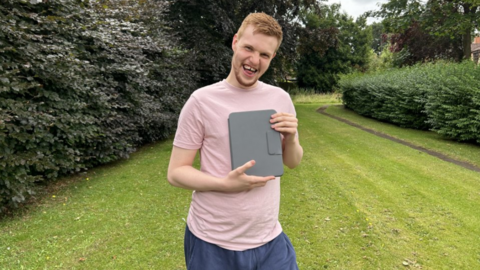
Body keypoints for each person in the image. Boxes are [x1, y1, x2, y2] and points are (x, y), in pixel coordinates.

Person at [167, 12, 303, 270]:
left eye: (264, 54)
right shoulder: (201, 101)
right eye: (248, 48)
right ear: (235, 42)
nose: (254, 60)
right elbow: (176, 173)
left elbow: (292, 162)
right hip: (212, 242)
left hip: (269, 239)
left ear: (272, 57)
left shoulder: (280, 98)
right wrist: (224, 184)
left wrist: (292, 138)